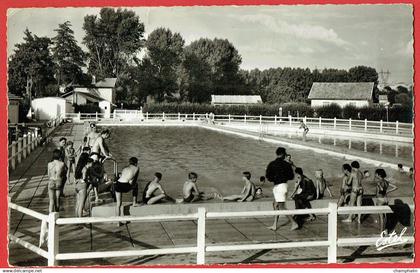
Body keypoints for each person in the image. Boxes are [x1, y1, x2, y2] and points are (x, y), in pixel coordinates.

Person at [265, 147, 298, 231]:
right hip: (283, 186)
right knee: (276, 205)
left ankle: (294, 223)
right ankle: (275, 225)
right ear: (283, 154)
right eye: (285, 154)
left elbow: (268, 176)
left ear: (277, 154)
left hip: (277, 186)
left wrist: (275, 179)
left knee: (281, 206)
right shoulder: (286, 164)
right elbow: (291, 176)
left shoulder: (272, 164)